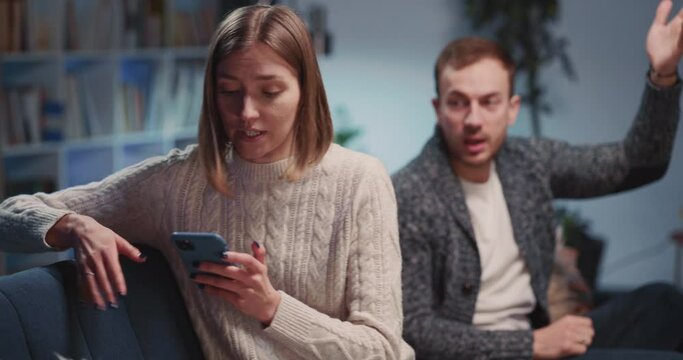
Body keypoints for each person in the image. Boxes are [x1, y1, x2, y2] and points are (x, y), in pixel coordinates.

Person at [0, 5, 414, 360]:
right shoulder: (178, 184)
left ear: (305, 91)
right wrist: (74, 226)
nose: (246, 112)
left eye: (269, 92)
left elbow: (382, 349)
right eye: (229, 91)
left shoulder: (361, 180)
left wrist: (271, 307)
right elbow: (9, 215)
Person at [392, 0, 683, 359]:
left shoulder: (531, 162)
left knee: (662, 302)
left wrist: (663, 75)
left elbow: (638, 163)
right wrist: (532, 344)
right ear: (438, 109)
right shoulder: (409, 192)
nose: (473, 119)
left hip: (541, 344)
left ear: (512, 108)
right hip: (482, 353)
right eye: (458, 103)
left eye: (489, 102)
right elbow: (414, 328)